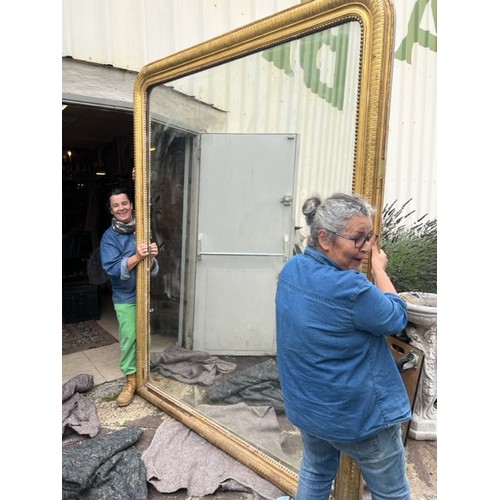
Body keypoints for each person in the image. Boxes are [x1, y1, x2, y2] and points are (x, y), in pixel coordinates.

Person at [275, 193, 411, 500]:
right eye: (358, 239)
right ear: (324, 238)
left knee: (316, 471)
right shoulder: (351, 289)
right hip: (359, 417)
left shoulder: (293, 269)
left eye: (370, 238)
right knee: (392, 493)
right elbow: (396, 317)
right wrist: (379, 270)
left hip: (310, 408)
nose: (366, 248)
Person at [100, 186, 159, 407]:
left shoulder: (142, 229)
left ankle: (144, 374)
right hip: (125, 296)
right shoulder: (109, 237)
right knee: (129, 337)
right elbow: (113, 269)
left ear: (131, 204)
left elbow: (151, 267)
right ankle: (131, 379)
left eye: (124, 203)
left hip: (144, 293)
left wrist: (151, 256)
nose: (121, 207)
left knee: (144, 335)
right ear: (111, 210)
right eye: (116, 205)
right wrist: (135, 256)